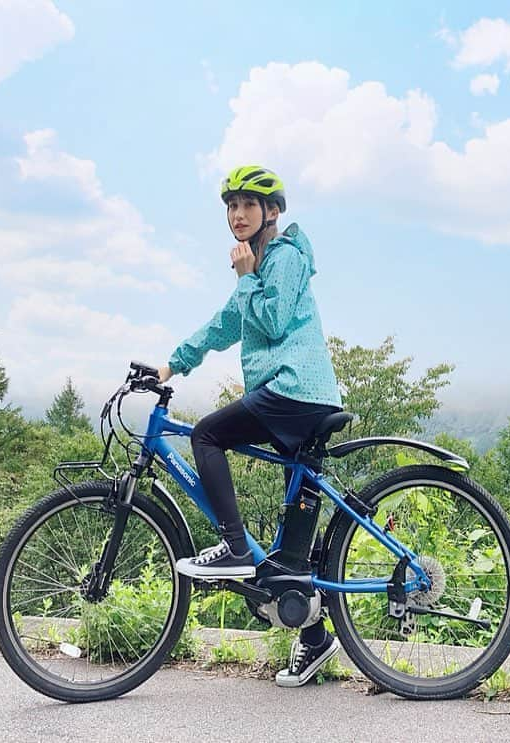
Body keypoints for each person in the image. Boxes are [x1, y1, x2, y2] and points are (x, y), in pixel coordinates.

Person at [156, 165, 342, 687]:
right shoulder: (260, 266)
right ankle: (314, 636)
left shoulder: (282, 258)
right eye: (230, 207)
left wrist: (244, 279)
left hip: (293, 391)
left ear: (272, 212)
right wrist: (172, 364)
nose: (237, 215)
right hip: (293, 396)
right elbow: (228, 324)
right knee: (291, 548)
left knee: (207, 435)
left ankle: (235, 546)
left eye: (248, 205)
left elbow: (273, 320)